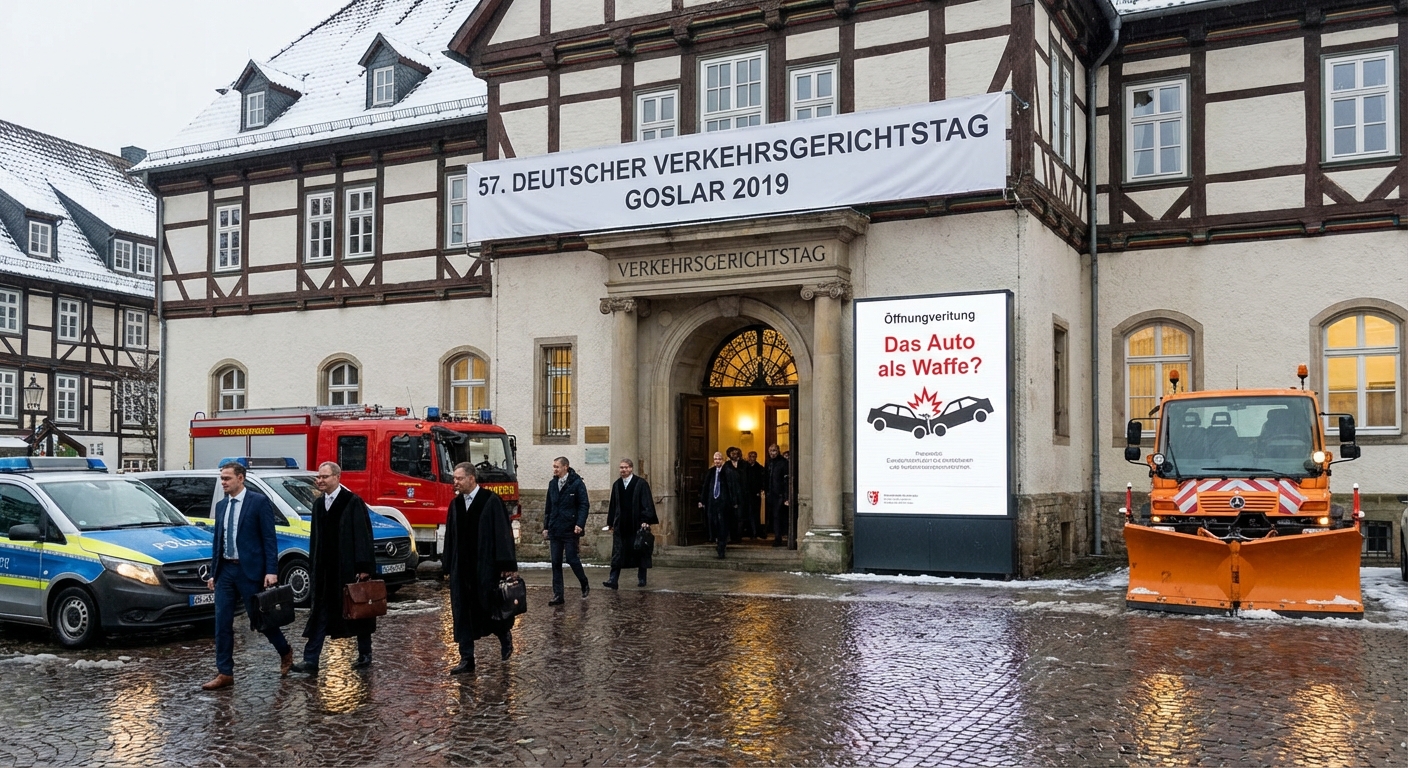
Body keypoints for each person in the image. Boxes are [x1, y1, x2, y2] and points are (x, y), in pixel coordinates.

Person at [202, 462, 293, 691]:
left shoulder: (258, 502)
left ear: (240, 478)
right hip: (226, 570)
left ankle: (285, 650)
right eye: (221, 478)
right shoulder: (222, 506)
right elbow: (218, 541)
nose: (223, 482)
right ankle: (225, 672)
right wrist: (214, 573)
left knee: (260, 618)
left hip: (250, 570)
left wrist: (271, 570)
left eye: (227, 478)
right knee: (222, 622)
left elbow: (269, 538)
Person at [289, 461, 376, 676]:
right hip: (324, 570)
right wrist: (313, 564)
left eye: (324, 477)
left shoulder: (352, 502)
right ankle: (311, 660)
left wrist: (363, 566)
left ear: (337, 477)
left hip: (346, 568)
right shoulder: (319, 505)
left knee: (357, 610)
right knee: (320, 613)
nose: (320, 480)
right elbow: (316, 538)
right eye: (319, 477)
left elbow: (362, 534)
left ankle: (365, 653)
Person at [444, 462, 518, 674]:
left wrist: (506, 565)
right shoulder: (456, 504)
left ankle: (504, 637)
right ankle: (467, 659)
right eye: (454, 478)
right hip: (462, 570)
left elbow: (503, 533)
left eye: (459, 478)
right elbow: (451, 536)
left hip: (485, 568)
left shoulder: (491, 501)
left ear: (471, 478)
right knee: (462, 613)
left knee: (490, 610)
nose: (455, 482)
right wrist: (448, 564)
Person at [603, 458, 658, 589]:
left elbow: (647, 502)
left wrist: (645, 520)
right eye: (621, 468)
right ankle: (613, 580)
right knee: (617, 553)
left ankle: (642, 578)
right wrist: (610, 523)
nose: (623, 470)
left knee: (640, 551)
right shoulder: (617, 485)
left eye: (626, 467)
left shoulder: (641, 484)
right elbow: (613, 505)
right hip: (621, 525)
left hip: (637, 524)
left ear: (631, 468)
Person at [543, 456, 590, 606]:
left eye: (557, 466)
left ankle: (584, 583)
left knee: (571, 558)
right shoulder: (552, 484)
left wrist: (580, 524)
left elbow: (584, 505)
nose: (555, 469)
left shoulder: (576, 484)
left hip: (570, 528)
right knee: (555, 562)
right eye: (554, 466)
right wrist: (546, 527)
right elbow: (548, 507)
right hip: (555, 528)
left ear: (565, 467)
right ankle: (558, 595)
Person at [698, 452, 738, 559]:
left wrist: (734, 502)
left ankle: (721, 547)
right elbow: (706, 487)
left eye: (719, 459)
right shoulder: (710, 472)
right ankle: (716, 541)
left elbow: (732, 487)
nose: (717, 461)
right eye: (715, 459)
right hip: (713, 502)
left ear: (723, 460)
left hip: (724, 503)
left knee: (723, 525)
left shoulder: (728, 472)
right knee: (714, 523)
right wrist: (702, 500)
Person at [725, 447, 755, 541]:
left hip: (742, 494)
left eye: (736, 453)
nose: (734, 455)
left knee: (741, 516)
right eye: (732, 453)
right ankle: (731, 536)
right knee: (731, 517)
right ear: (729, 454)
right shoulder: (726, 465)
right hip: (730, 494)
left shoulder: (744, 465)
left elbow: (749, 479)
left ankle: (739, 536)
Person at [766, 444, 791, 547]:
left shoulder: (783, 462)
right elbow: (766, 476)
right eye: (771, 451)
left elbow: (786, 480)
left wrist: (786, 496)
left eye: (774, 451)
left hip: (780, 494)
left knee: (778, 516)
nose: (772, 453)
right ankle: (777, 536)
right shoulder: (768, 462)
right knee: (773, 516)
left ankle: (779, 538)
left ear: (778, 451)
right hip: (770, 493)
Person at [745, 451, 766, 539]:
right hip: (746, 494)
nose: (752, 458)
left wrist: (761, 489)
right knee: (747, 513)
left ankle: (755, 532)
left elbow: (762, 480)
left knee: (755, 513)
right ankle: (749, 531)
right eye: (750, 456)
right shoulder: (745, 467)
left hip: (755, 494)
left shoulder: (759, 468)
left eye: (754, 456)